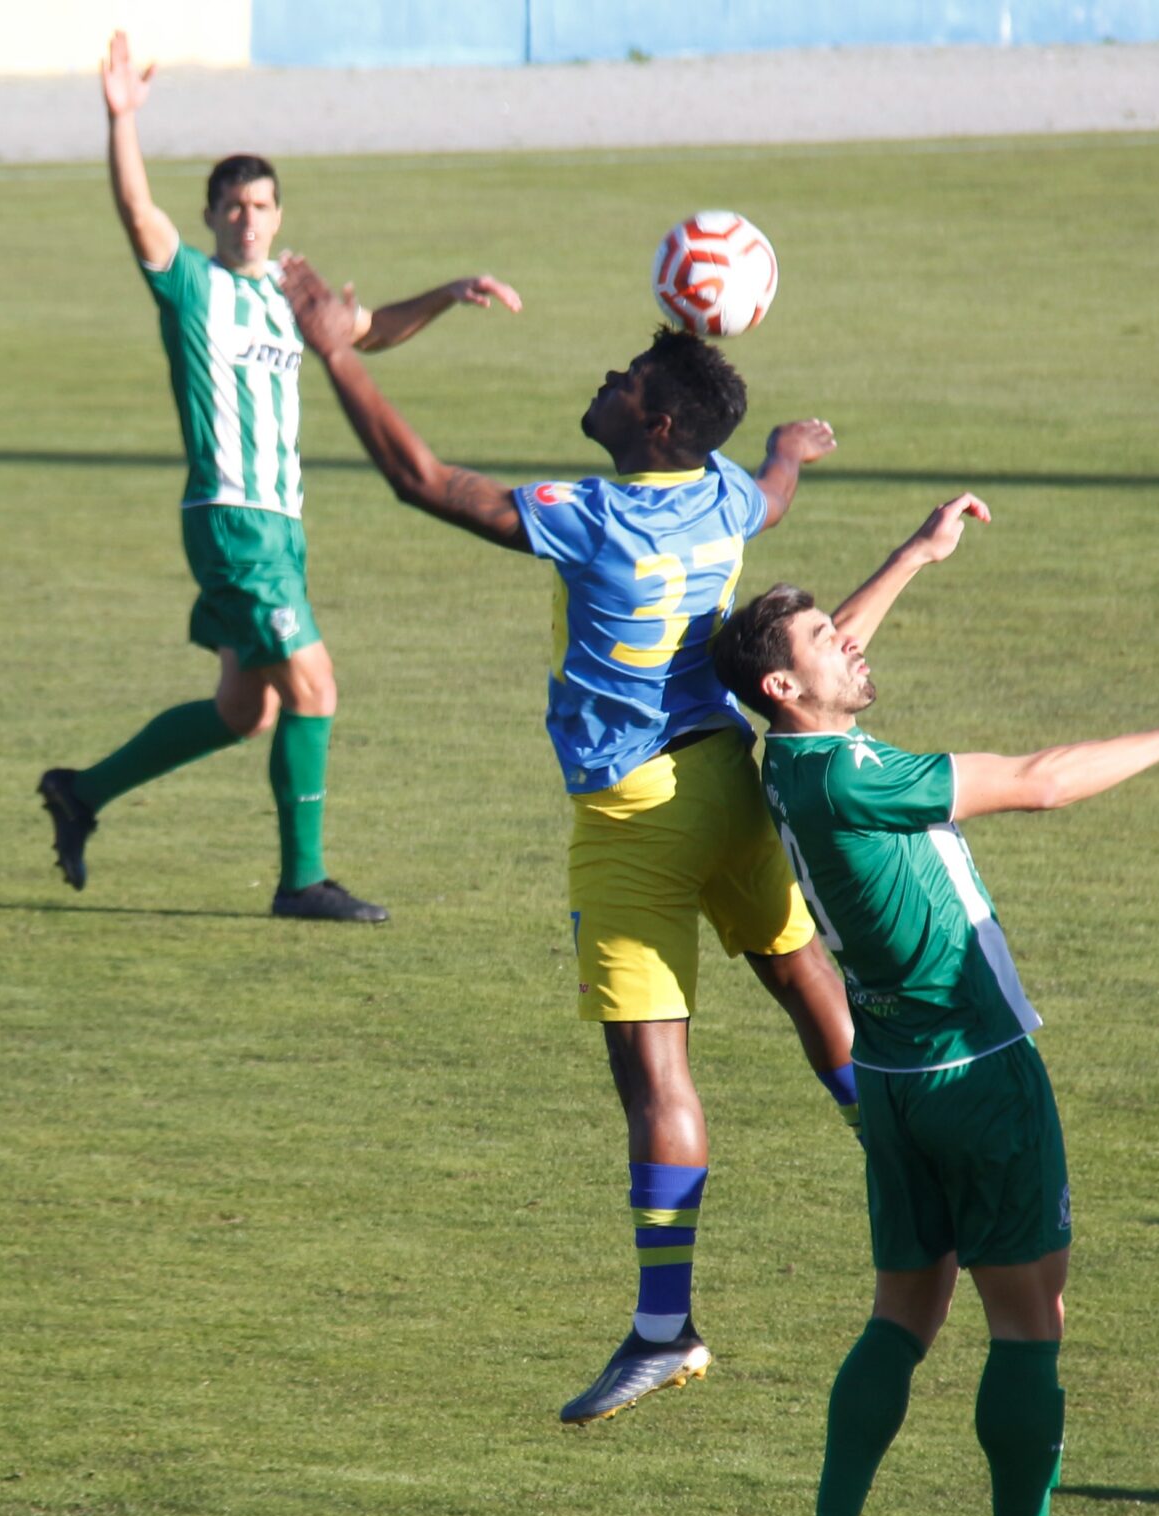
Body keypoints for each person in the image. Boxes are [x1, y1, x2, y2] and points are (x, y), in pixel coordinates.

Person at [279, 254, 865, 1425]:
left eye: (625, 373)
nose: (605, 376)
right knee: (811, 992)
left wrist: (333, 347)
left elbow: (422, 478)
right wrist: (792, 447)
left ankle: (663, 1327)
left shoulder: (590, 519)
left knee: (655, 1073)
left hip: (634, 818)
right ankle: (932, 1168)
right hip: (730, 786)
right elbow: (771, 491)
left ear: (651, 422)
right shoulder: (718, 498)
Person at [706, 556, 1159, 1516]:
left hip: (894, 1084)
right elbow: (1041, 778)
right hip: (982, 1070)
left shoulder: (783, 762)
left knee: (901, 1314)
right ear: (783, 687)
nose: (848, 642)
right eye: (823, 640)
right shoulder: (857, 772)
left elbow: (819, 660)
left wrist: (912, 554)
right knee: (1028, 1322)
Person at [39, 31, 523, 922]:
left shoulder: (287, 298)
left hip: (281, 527)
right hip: (233, 518)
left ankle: (82, 791)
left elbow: (366, 331)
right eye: (233, 205)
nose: (249, 218)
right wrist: (121, 121)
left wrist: (447, 294)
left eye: (263, 205)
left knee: (246, 710)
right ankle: (301, 881)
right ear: (214, 215)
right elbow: (137, 211)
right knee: (316, 685)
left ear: (278, 216)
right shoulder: (191, 285)